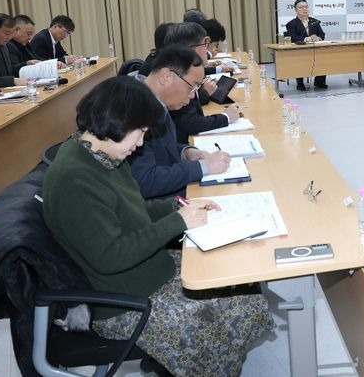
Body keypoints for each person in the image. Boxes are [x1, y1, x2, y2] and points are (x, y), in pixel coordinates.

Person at [42, 75, 272, 376]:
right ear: (115, 123)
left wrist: (180, 206)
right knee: (233, 308)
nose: (140, 143)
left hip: (147, 271)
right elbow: (110, 256)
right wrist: (178, 221)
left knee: (237, 279)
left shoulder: (103, 154)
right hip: (123, 302)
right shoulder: (75, 179)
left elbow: (135, 209)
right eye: (139, 132)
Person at [129, 45, 231, 199]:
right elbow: (145, 181)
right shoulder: (132, 109)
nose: (192, 96)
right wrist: (203, 167)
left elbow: (160, 149)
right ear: (166, 76)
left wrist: (187, 153)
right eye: (192, 87)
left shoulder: (156, 100)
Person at [163, 23, 241, 143]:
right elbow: (190, 123)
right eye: (205, 44)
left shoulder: (182, 71)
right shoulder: (178, 78)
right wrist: (226, 117)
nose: (207, 50)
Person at [284, 0, 328, 90]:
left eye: (306, 7)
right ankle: (300, 83)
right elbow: (292, 37)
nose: (304, 9)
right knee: (299, 59)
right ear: (296, 10)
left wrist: (318, 38)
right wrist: (306, 39)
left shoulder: (314, 22)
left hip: (315, 50)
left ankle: (319, 82)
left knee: (323, 56)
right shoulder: (291, 24)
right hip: (299, 51)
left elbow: (322, 34)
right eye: (301, 7)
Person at [0, 13, 24, 88]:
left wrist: (26, 65)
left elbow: (7, 72)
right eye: (7, 34)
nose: (9, 37)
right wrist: (12, 81)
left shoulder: (4, 47)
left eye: (12, 33)